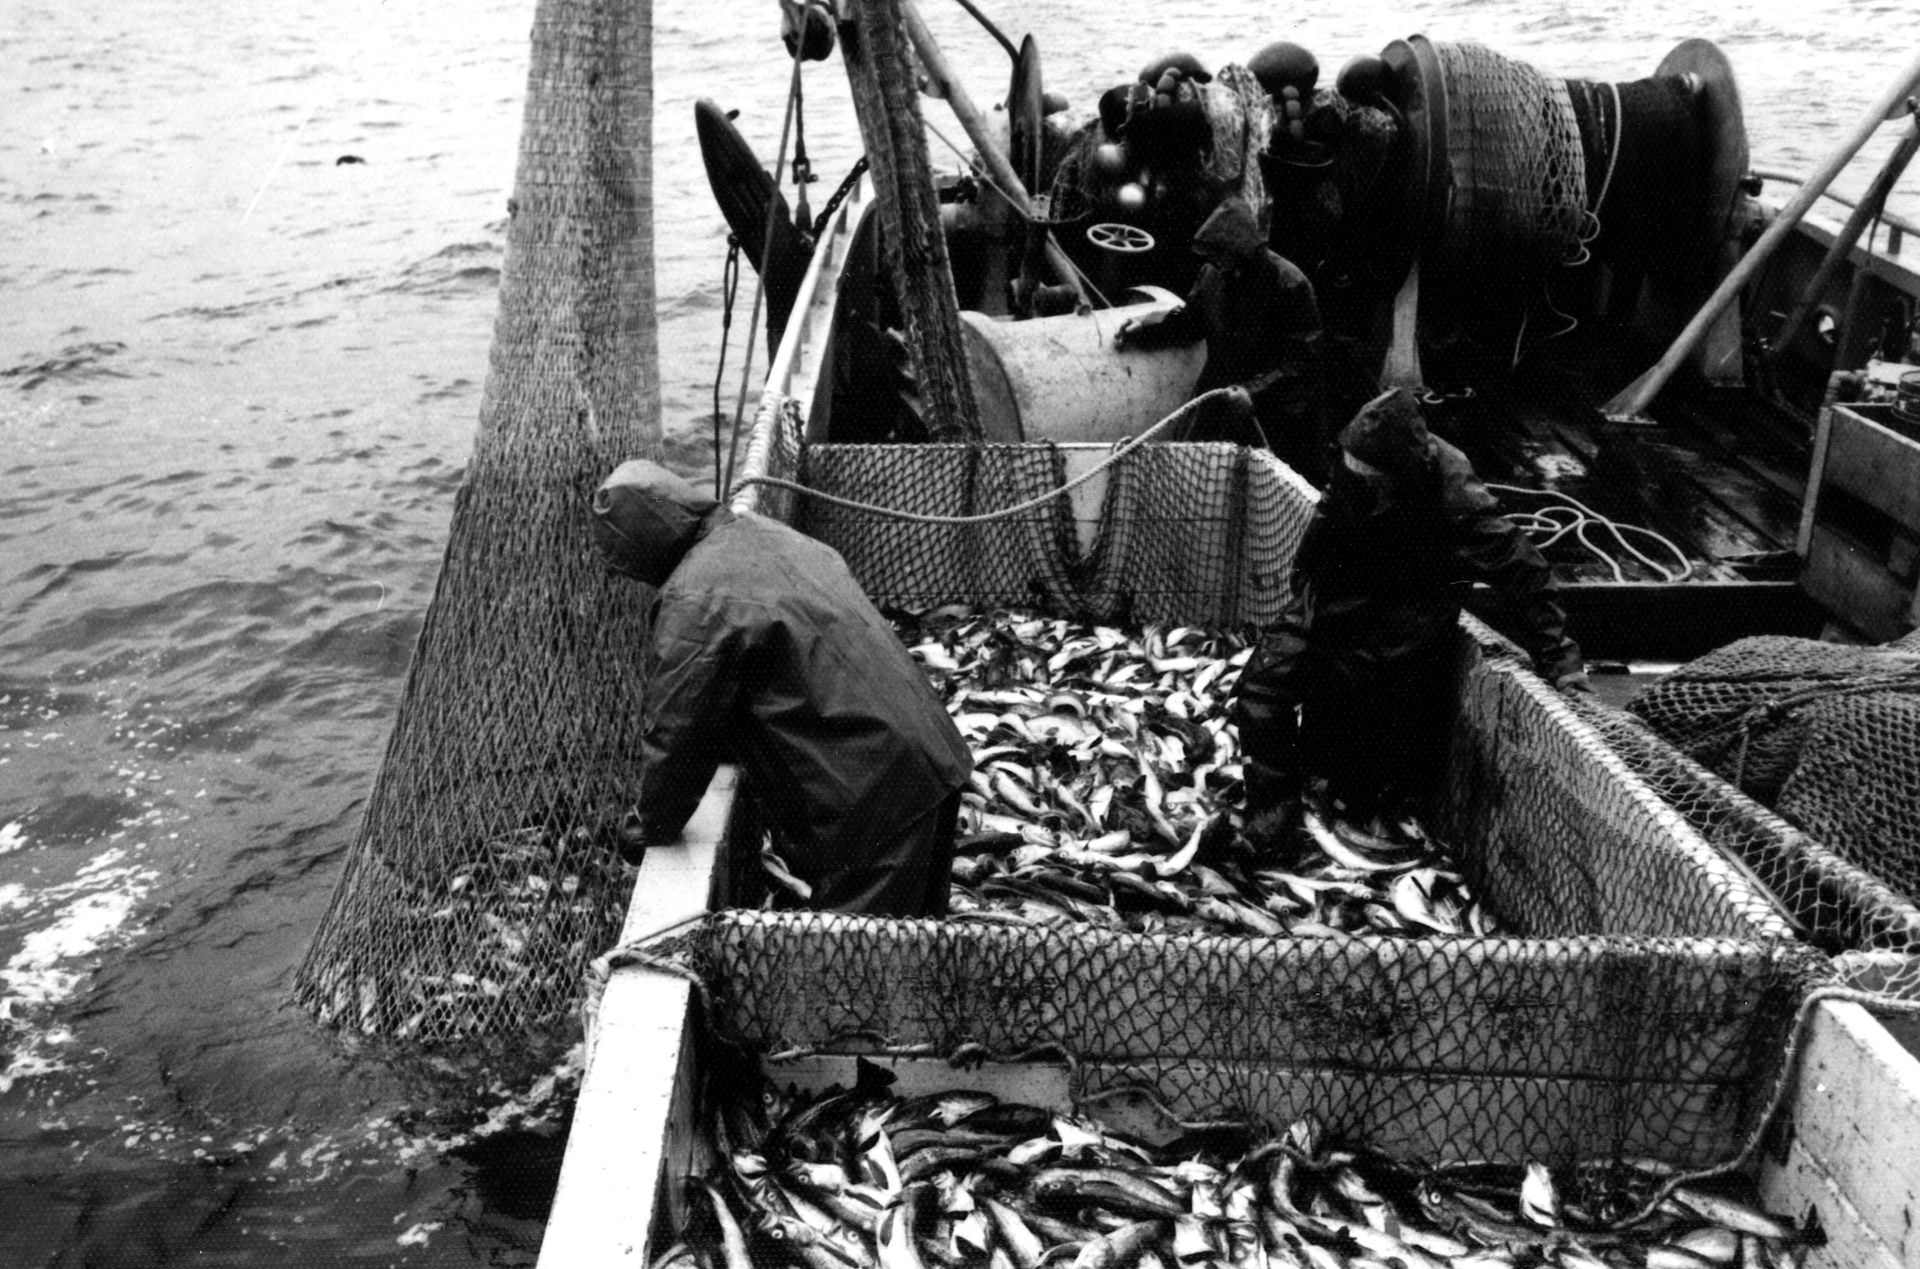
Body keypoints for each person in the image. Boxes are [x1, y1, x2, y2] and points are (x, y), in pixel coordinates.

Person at [589, 459, 972, 918]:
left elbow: (680, 737)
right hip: (932, 759)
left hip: (874, 798)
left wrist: (644, 830)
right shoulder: (765, 534)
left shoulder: (694, 599)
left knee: (854, 970)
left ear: (645, 548)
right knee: (913, 944)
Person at [1230, 388, 1590, 847]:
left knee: (1357, 697)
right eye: (1350, 465)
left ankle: (1350, 796)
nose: (1354, 475)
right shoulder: (1354, 460)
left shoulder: (1457, 499)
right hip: (1341, 584)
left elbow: (1526, 574)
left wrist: (1561, 660)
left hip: (1411, 600)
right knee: (1262, 688)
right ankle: (1274, 812)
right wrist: (1305, 588)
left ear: (1401, 471)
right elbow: (1327, 515)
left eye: (1369, 474)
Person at [1112, 195, 1331, 481]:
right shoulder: (1211, 275)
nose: (1214, 262)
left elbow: (1303, 359)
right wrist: (1146, 328)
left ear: (1241, 250)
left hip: (1275, 409)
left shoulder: (1290, 284)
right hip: (1220, 394)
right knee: (1192, 473)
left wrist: (1255, 393)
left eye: (1219, 254)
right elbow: (1190, 323)